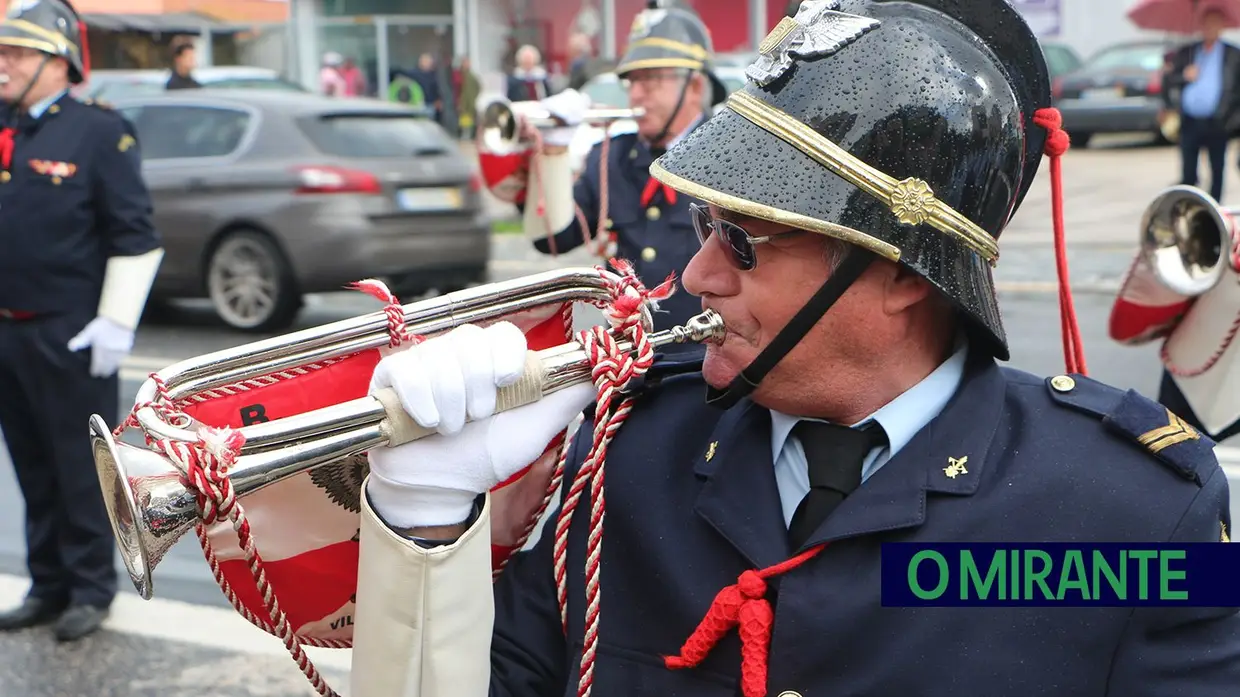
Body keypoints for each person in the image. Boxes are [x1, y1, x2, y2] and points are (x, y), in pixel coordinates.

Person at [349, 0, 1239, 695]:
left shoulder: (1125, 510)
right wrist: (429, 524)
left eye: (745, 238)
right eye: (704, 225)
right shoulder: (626, 452)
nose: (697, 275)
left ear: (906, 276)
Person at [0, 0, 163, 642]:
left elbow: (135, 235)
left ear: (57, 62)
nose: (3, 64)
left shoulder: (99, 132)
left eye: (15, 54)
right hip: (8, 329)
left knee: (80, 467)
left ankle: (91, 588)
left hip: (69, 334)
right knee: (30, 464)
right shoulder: (7, 125)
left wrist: (115, 324)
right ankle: (47, 584)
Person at [481, 1, 729, 334]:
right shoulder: (611, 156)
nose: (636, 95)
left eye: (651, 81)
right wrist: (552, 150)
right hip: (628, 363)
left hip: (706, 364)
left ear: (695, 87)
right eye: (632, 82)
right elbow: (552, 239)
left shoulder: (729, 155)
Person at [1160, 6, 1240, 202]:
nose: (1211, 28)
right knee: (1188, 171)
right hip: (1190, 121)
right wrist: (1184, 76)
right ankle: (1190, 209)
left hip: (1218, 120)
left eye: (1215, 23)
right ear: (1201, 25)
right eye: (1207, 23)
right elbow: (1169, 80)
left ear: (1222, 26)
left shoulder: (1233, 55)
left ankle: (1214, 213)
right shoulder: (1188, 52)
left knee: (1217, 170)